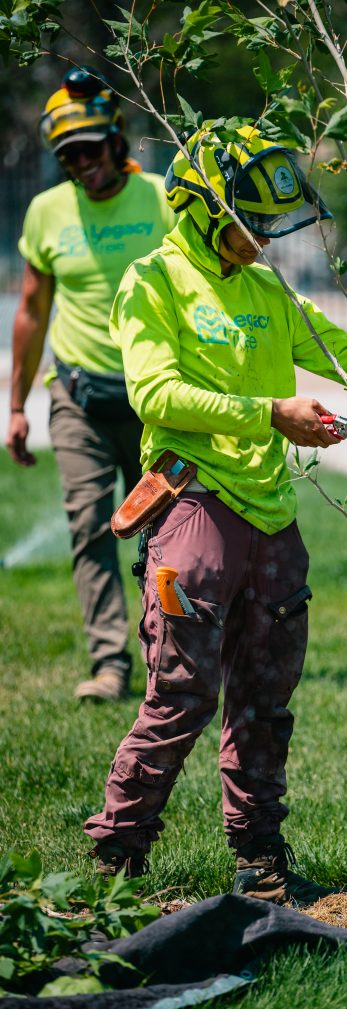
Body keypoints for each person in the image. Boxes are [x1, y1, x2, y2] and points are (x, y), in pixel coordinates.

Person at [83, 123, 347, 903]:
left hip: (272, 522)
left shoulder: (264, 288)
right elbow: (154, 394)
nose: (262, 242)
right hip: (195, 505)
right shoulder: (153, 280)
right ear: (203, 210)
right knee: (182, 693)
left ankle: (259, 861)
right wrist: (268, 413)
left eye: (269, 227)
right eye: (250, 226)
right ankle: (115, 858)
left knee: (264, 700)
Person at [5, 66, 176, 702]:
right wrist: (18, 406)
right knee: (88, 528)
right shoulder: (48, 212)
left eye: (92, 149)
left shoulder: (160, 199)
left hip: (154, 399)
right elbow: (31, 308)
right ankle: (109, 665)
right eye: (70, 155)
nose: (84, 164)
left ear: (117, 140)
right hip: (76, 396)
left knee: (165, 532)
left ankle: (168, 660)